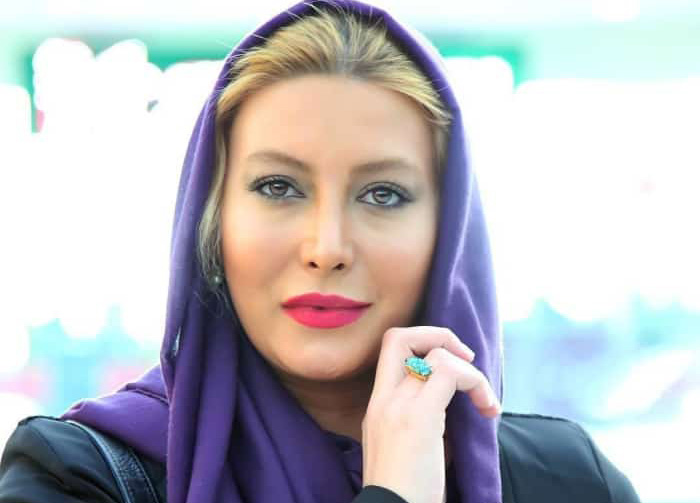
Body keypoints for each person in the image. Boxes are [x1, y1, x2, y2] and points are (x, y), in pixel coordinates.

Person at [0, 1, 641, 503]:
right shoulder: (74, 476)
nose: (327, 248)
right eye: (278, 187)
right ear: (212, 223)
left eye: (383, 194)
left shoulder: (568, 481)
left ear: (447, 238)